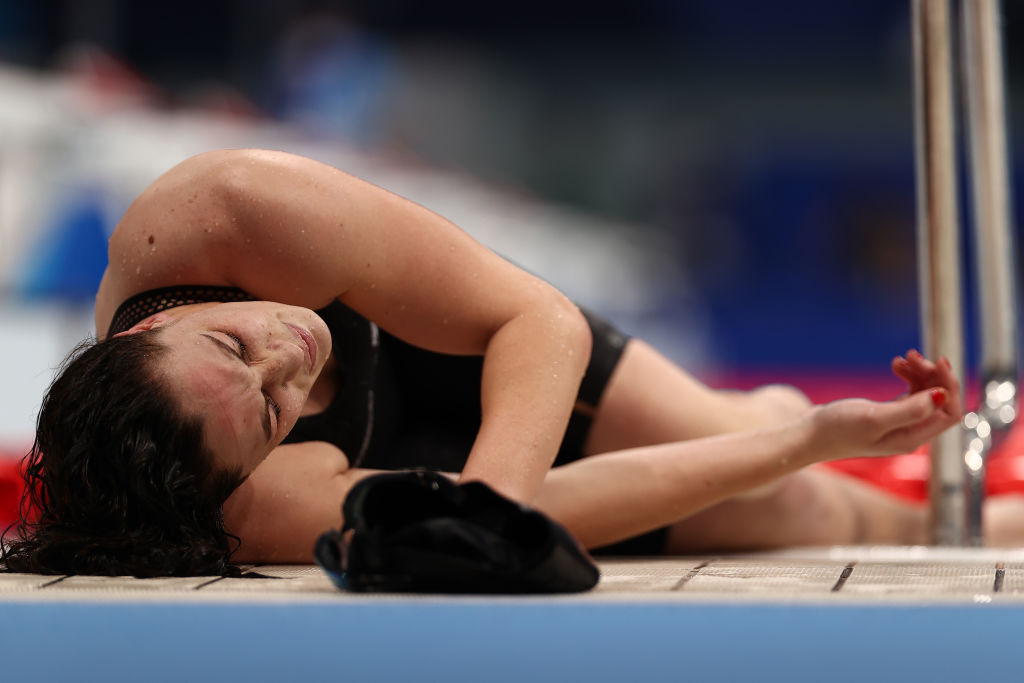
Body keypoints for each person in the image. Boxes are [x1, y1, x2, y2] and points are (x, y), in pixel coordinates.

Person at [0, 148, 996, 578]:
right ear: (246, 466)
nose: (288, 358)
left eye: (233, 340)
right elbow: (558, 510)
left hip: (496, 341)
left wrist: (484, 514)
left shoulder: (233, 209)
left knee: (741, 441)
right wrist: (802, 438)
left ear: (134, 332)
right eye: (269, 409)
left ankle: (756, 415)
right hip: (433, 454)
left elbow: (536, 317)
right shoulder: (255, 500)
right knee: (801, 507)